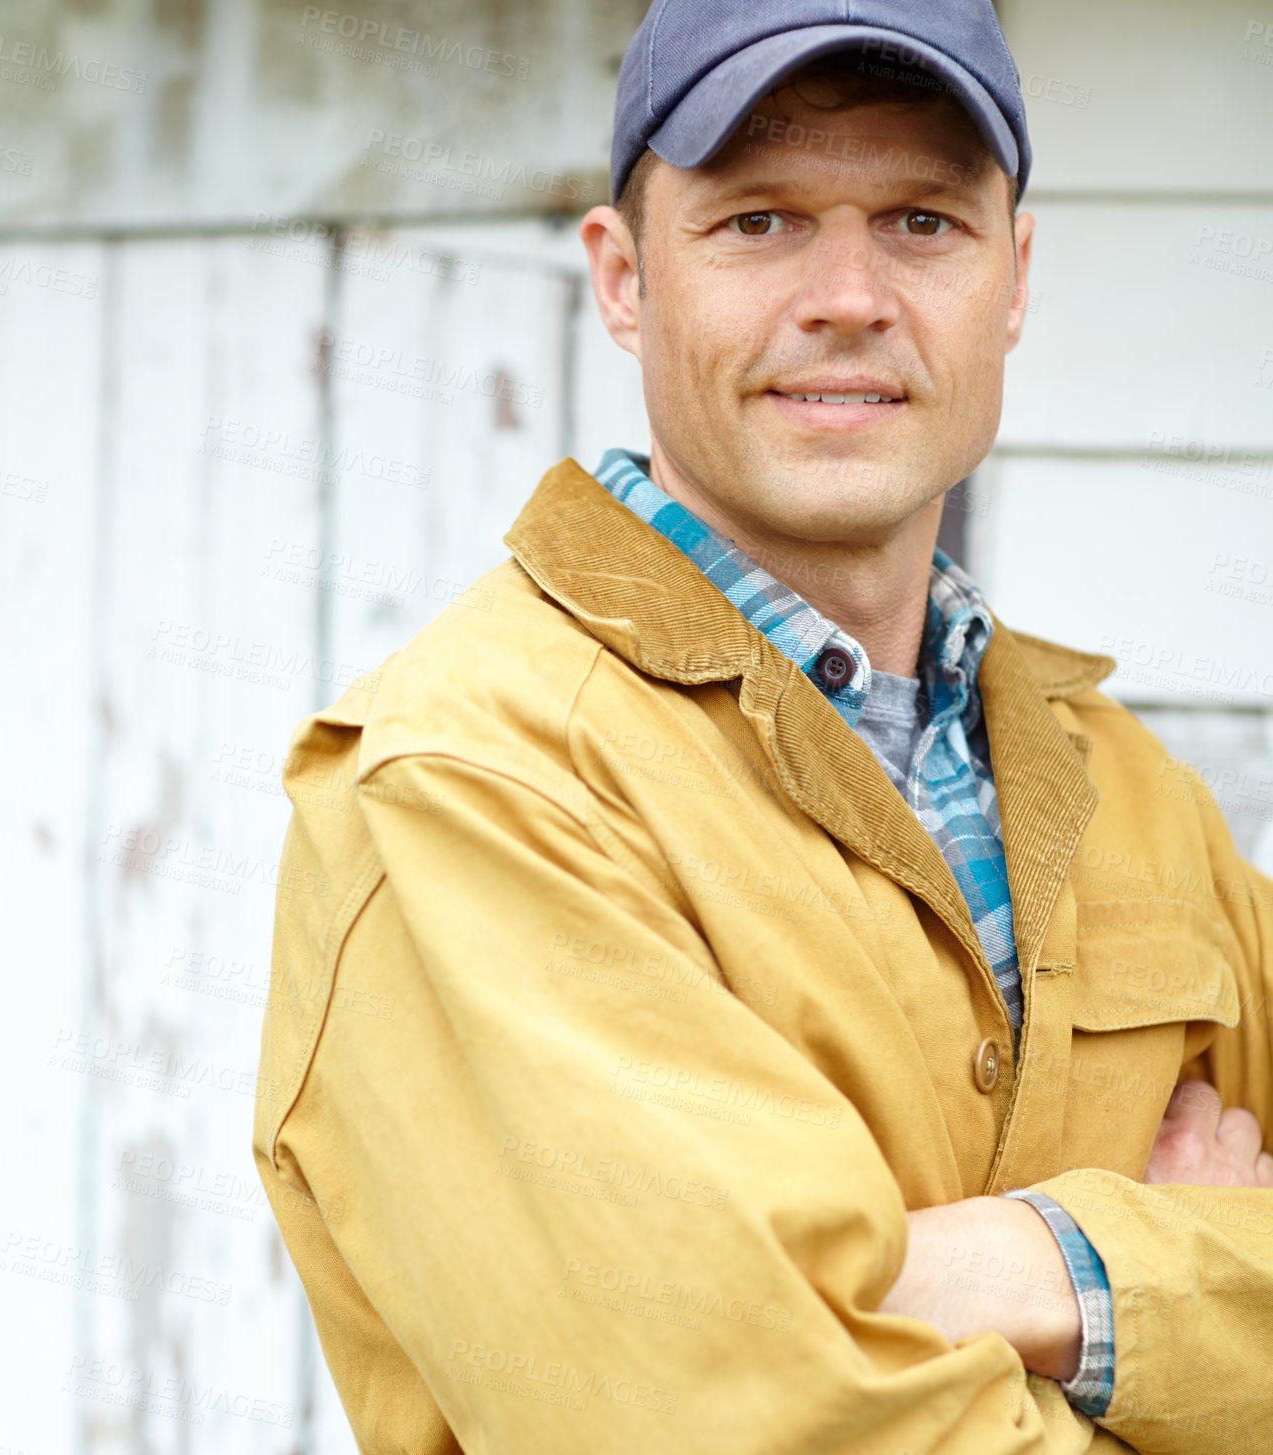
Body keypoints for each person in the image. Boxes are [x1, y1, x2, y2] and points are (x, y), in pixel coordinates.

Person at [253, 1, 1273, 1450]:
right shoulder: (472, 782)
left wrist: (1024, 1270)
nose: (848, 293)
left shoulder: (1124, 788)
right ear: (622, 280)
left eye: (921, 221)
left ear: (1012, 278)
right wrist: (1179, 1281)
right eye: (759, 223)